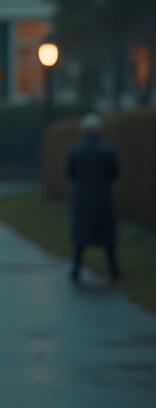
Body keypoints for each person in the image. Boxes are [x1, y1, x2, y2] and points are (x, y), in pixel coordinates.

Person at [67, 113, 120, 283]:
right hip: (103, 198)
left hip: (82, 198)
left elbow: (70, 173)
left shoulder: (76, 151)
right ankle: (113, 269)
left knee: (81, 236)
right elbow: (115, 173)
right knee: (107, 236)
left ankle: (76, 269)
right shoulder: (109, 151)